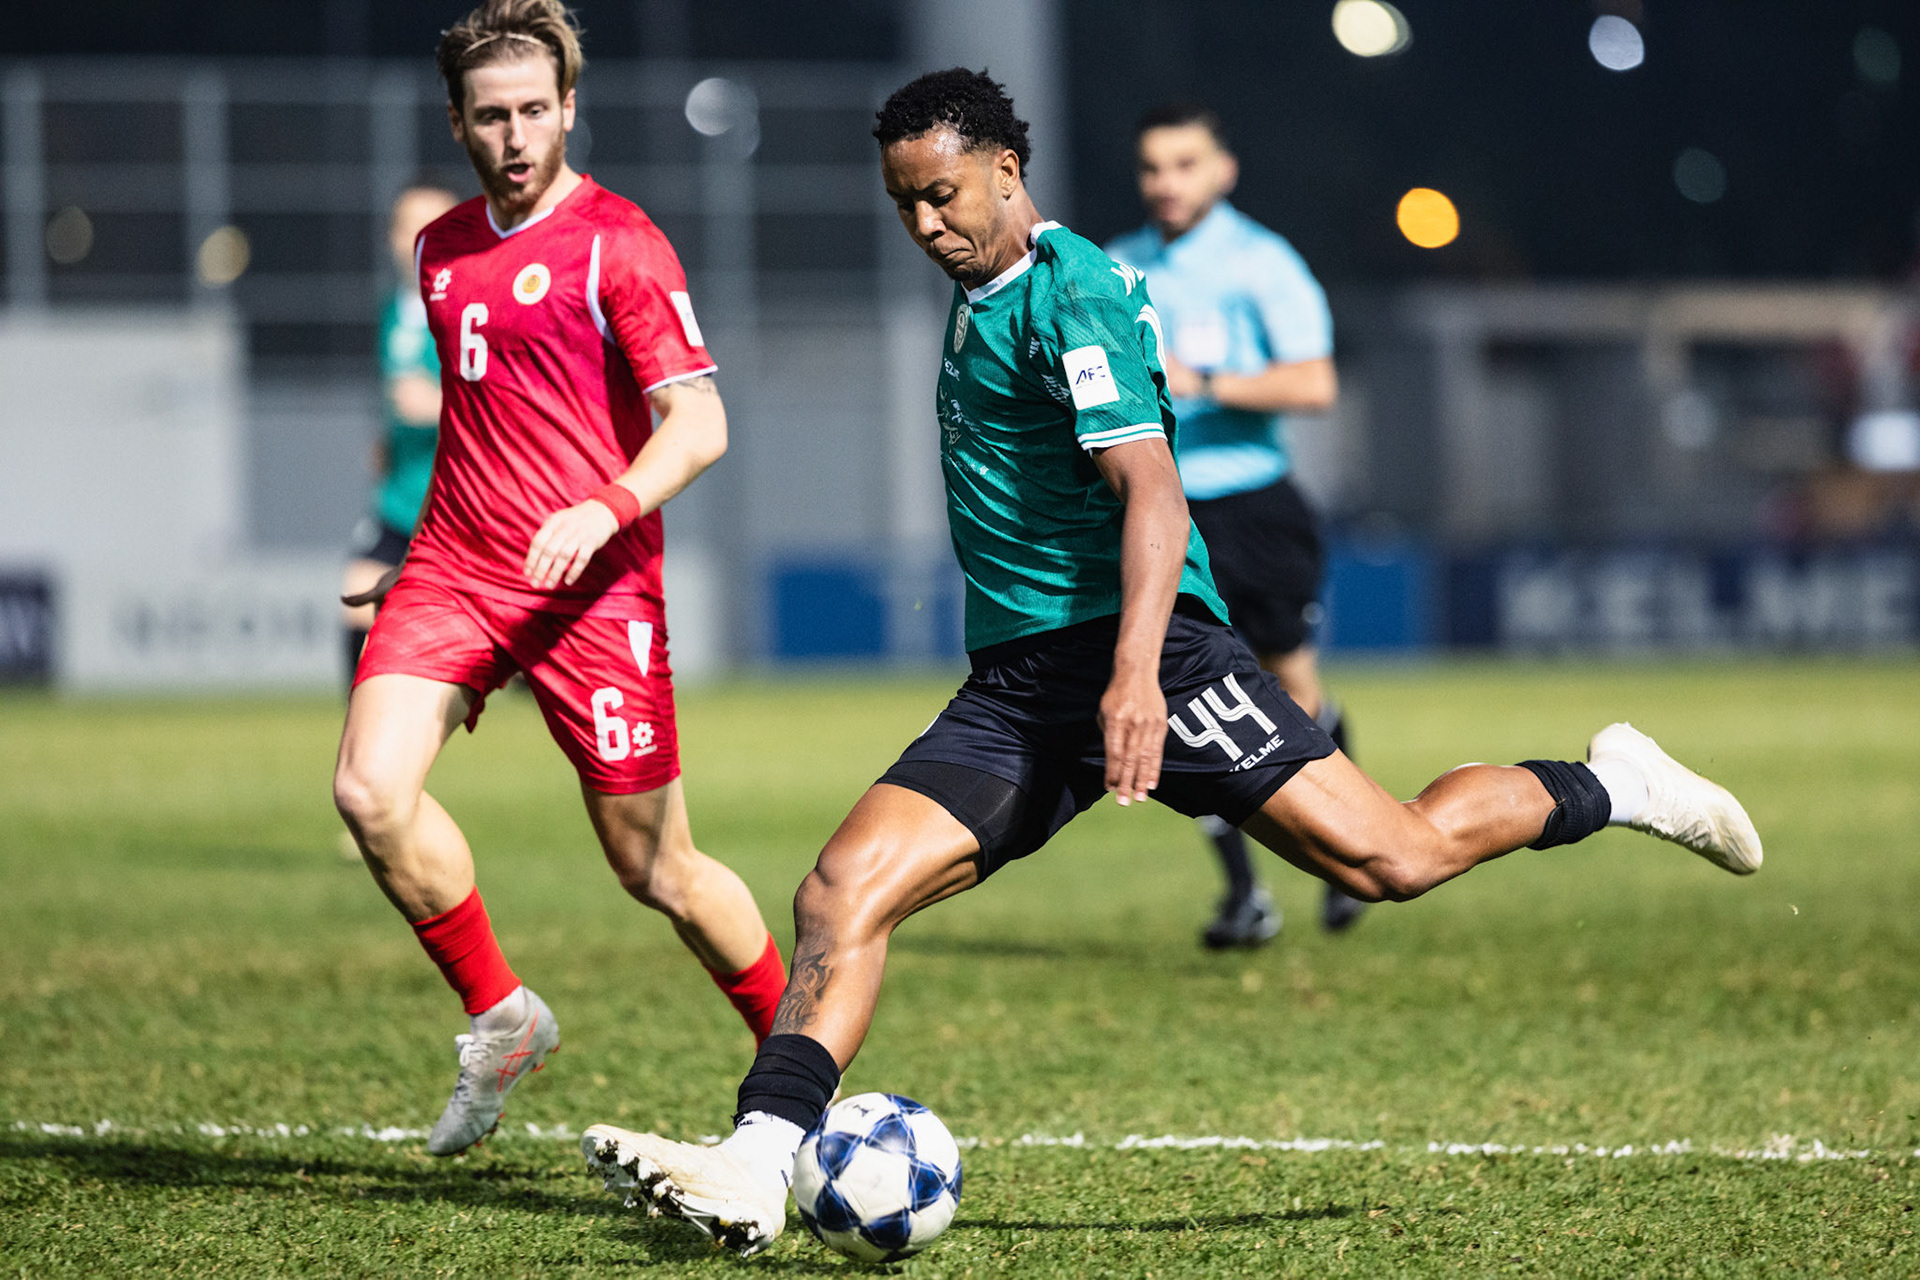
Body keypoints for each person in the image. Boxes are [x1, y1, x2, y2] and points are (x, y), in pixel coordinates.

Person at [576, 68, 1761, 1258]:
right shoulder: (984, 285)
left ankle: (1618, 783)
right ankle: (756, 1160)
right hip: (1021, 688)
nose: (925, 224)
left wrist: (1136, 674)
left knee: (1395, 855)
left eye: (941, 195)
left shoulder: (1069, 290)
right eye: (904, 206)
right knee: (841, 890)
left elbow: (1149, 489)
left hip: (1155, 660)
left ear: (1005, 169)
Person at [331, 0, 785, 1158]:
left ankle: (801, 1058)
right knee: (369, 792)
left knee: (656, 867)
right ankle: (502, 1016)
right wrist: (407, 560)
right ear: (458, 123)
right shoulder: (441, 251)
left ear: (571, 107)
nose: (518, 134)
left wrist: (606, 504)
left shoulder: (618, 243)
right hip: (453, 568)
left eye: (537, 109)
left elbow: (701, 422)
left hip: (596, 586)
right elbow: (481, 426)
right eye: (493, 116)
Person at [1106, 104, 1365, 947]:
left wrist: (1203, 380)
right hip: (1165, 510)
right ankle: (1247, 896)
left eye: (1184, 164)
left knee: (1292, 692)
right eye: (1152, 167)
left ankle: (1352, 854)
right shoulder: (1114, 267)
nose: (1165, 183)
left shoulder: (1263, 263)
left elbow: (1315, 383)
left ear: (1223, 170)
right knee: (1192, 703)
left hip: (1257, 508)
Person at [339, 179, 461, 691]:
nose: (423, 237)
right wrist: (388, 440)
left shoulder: (473, 308)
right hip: (402, 499)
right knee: (358, 597)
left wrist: (441, 407)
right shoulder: (393, 312)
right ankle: (364, 733)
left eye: (437, 225)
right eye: (411, 227)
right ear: (392, 238)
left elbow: (515, 400)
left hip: (465, 505)